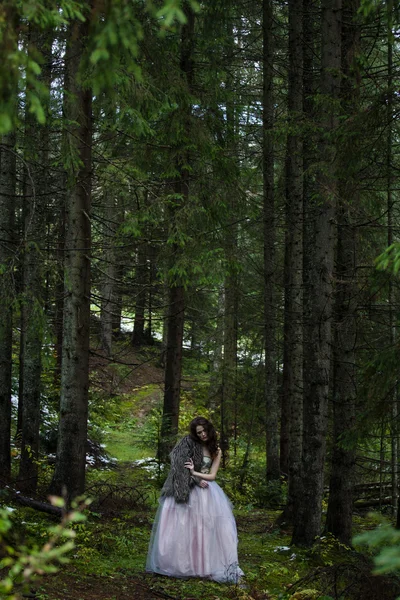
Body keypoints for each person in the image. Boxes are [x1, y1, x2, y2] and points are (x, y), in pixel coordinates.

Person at [146, 416, 243, 583]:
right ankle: (183, 564)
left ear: (210, 430)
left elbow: (212, 475)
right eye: (199, 432)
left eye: (205, 431)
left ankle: (205, 565)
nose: (203, 434)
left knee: (206, 528)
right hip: (188, 489)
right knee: (184, 527)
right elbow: (178, 465)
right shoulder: (189, 445)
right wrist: (194, 478)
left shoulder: (216, 450)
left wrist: (195, 473)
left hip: (206, 491)